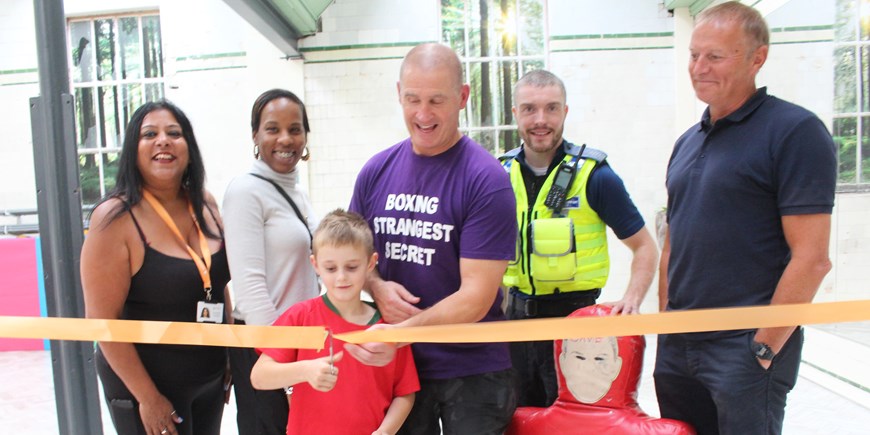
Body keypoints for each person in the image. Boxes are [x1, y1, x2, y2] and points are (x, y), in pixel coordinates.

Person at [654, 3, 837, 434]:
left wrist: (764, 348)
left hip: (743, 350)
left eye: (715, 56)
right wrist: (666, 329)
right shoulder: (687, 142)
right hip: (680, 346)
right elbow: (673, 242)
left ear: (758, 58)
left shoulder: (795, 132)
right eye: (694, 54)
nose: (699, 67)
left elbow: (812, 258)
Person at [347, 42, 519, 434]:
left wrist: (400, 334)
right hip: (399, 370)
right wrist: (375, 285)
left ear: (462, 97)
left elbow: (476, 298)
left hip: (474, 371)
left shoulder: (486, 180)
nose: (423, 115)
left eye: (436, 101)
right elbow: (350, 259)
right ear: (398, 95)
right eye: (413, 100)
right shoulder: (375, 172)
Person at [500, 69, 658, 407]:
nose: (541, 119)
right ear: (515, 114)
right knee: (517, 424)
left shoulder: (595, 176)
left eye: (551, 108)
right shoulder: (498, 176)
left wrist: (632, 300)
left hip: (577, 330)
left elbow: (644, 245)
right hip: (515, 328)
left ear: (565, 112)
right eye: (529, 109)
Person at [81, 100, 231, 435]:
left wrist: (229, 353)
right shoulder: (114, 218)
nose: (163, 140)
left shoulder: (204, 202)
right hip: (149, 387)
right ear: (133, 151)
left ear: (189, 148)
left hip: (209, 377)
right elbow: (102, 322)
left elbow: (216, 284)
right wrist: (147, 398)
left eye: (174, 133)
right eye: (150, 134)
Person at [250, 209, 419, 435]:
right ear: (316, 265)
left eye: (351, 267)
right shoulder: (300, 316)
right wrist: (305, 371)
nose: (341, 277)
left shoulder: (388, 327)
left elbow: (405, 392)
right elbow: (259, 377)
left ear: (371, 263)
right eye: (331, 268)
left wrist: (386, 431)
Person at [223, 88, 321, 435]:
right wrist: (285, 371)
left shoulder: (297, 191)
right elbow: (250, 292)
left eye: (295, 129)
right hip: (269, 352)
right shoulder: (245, 192)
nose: (285, 138)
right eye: (272, 128)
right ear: (255, 135)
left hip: (303, 347)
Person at [507, 305, 695, 435]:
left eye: (600, 359)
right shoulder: (521, 422)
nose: (588, 367)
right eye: (579, 357)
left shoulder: (522, 421)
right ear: (562, 361)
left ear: (618, 365)